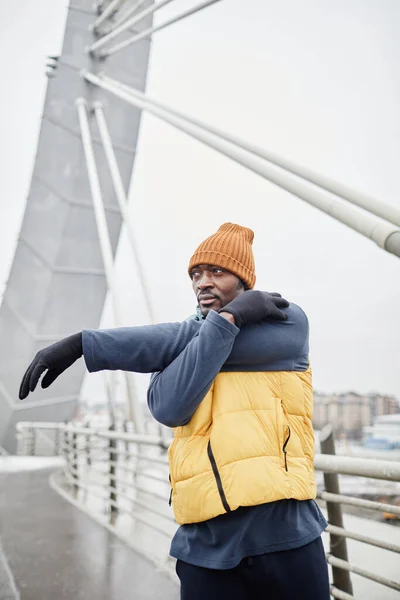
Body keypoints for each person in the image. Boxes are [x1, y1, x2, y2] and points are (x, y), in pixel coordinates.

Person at [19, 223, 330, 599]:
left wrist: (87, 345)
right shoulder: (178, 344)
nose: (203, 282)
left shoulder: (287, 322)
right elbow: (168, 407)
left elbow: (177, 340)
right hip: (204, 545)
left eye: (217, 271)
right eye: (196, 274)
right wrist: (228, 320)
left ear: (245, 280)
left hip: (285, 536)